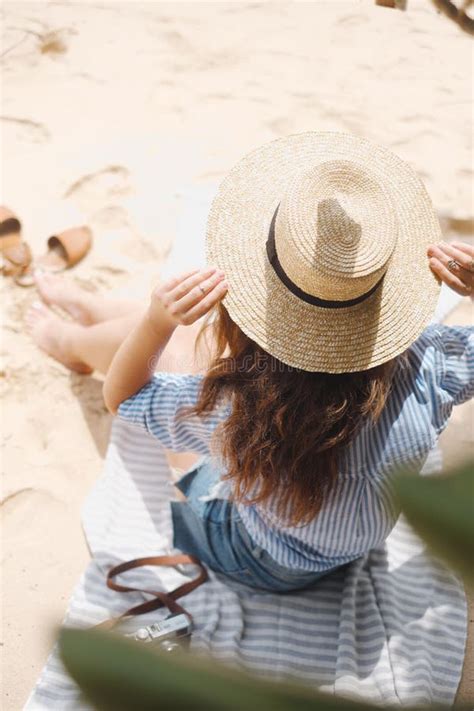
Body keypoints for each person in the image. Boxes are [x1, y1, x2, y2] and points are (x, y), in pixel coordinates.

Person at [26, 132, 474, 592]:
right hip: (341, 545)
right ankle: (89, 315)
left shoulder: (243, 410)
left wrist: (154, 324)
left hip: (256, 557)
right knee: (184, 341)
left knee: (178, 343)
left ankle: (70, 339)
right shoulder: (432, 363)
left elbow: (122, 396)